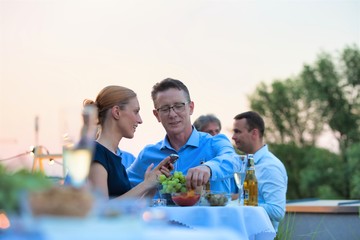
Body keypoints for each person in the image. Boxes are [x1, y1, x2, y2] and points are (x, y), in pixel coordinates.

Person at [127, 78, 240, 194]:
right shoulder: (147, 155)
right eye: (165, 109)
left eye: (178, 106)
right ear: (157, 115)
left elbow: (234, 160)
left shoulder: (215, 143)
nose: (172, 114)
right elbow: (119, 186)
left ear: (191, 108)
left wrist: (208, 168)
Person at [85, 85, 173, 200]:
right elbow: (101, 210)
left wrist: (152, 185)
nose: (140, 120)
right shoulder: (96, 153)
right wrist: (145, 184)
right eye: (136, 112)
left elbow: (128, 209)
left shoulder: (114, 157)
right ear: (117, 112)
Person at [231, 111, 288, 231]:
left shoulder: (269, 167)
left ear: (254, 133)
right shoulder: (246, 163)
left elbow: (277, 211)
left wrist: (242, 205)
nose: (233, 137)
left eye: (238, 131)